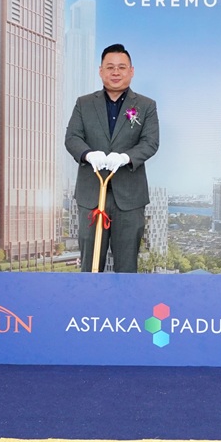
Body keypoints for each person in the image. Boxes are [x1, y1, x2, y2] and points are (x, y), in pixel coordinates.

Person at [65, 43, 159, 273]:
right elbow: (72, 138)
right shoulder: (84, 103)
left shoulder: (146, 105)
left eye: (121, 67)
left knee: (127, 266)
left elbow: (150, 142)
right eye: (110, 67)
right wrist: (88, 154)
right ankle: (88, 308)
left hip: (130, 198)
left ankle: (124, 308)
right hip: (91, 196)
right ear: (101, 71)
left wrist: (126, 157)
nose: (115, 72)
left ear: (131, 71)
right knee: (90, 265)